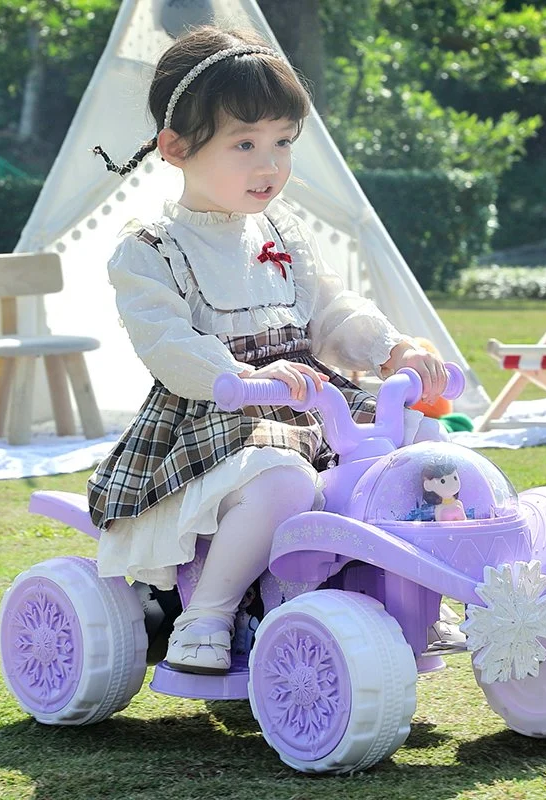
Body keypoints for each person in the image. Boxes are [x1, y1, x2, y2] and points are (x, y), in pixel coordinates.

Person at [88, 25, 450, 674]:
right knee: (282, 478)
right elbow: (167, 342)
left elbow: (331, 310)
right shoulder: (150, 247)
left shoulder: (284, 229)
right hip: (218, 416)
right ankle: (208, 614)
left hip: (309, 402)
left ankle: (413, 586)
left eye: (284, 142)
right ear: (176, 148)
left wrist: (390, 349)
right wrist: (236, 375)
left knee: (414, 440)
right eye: (245, 143)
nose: (270, 164)